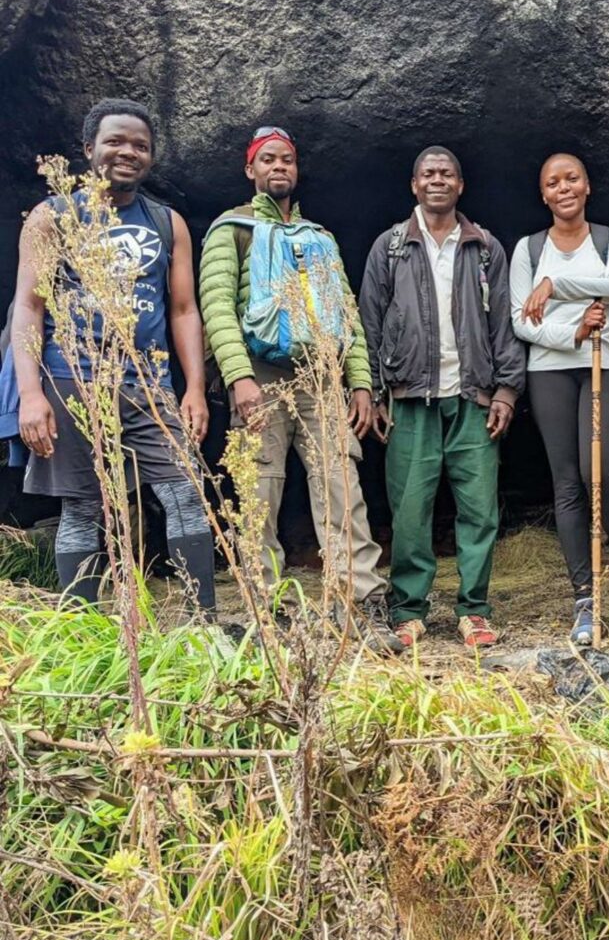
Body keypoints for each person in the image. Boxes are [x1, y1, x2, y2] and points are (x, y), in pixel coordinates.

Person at [198, 125, 401, 651]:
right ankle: (266, 611)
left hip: (320, 374)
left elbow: (347, 314)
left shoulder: (320, 237)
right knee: (259, 489)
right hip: (260, 375)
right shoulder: (232, 230)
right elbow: (217, 307)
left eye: (287, 159)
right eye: (268, 160)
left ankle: (359, 604)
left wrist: (359, 383)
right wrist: (239, 378)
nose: (279, 167)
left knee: (341, 486)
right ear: (251, 170)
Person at [12, 98, 215, 612]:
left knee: (184, 495)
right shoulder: (52, 216)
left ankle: (204, 627)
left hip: (149, 383)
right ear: (89, 149)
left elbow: (185, 310)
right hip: (71, 380)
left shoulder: (167, 223)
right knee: (83, 508)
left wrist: (192, 389)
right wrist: (31, 395)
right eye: (116, 141)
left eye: (141, 146)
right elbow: (29, 309)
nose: (129, 152)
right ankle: (82, 630)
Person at [360, 146, 525, 649]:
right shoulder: (389, 247)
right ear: (414, 185)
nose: (437, 180)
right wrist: (371, 390)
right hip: (410, 396)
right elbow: (368, 321)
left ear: (460, 185)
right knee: (410, 509)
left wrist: (507, 389)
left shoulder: (485, 248)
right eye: (428, 174)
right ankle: (409, 609)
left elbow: (504, 323)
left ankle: (474, 609)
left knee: (479, 509)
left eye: (447, 173)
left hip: (473, 396)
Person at [509, 152, 609, 644]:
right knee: (567, 483)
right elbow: (518, 320)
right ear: (543, 194)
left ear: (587, 186)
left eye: (572, 178)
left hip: (607, 364)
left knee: (600, 471)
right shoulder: (527, 248)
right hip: (552, 368)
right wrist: (571, 329)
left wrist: (554, 284)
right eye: (553, 182)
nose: (563, 188)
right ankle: (584, 601)